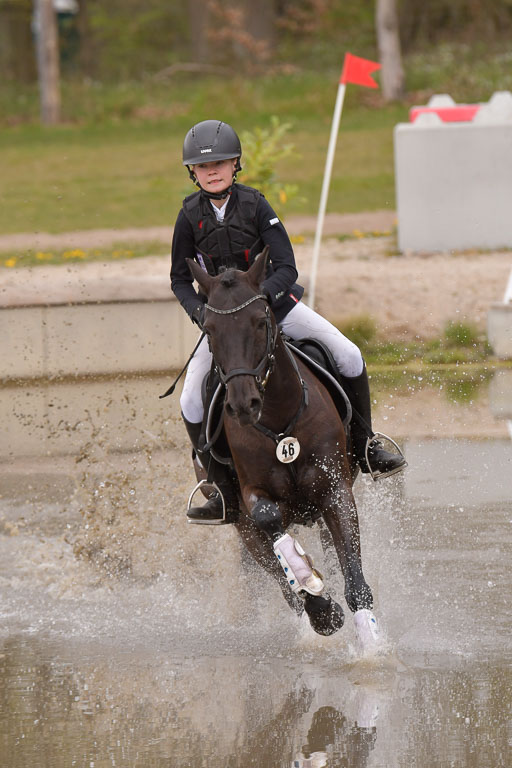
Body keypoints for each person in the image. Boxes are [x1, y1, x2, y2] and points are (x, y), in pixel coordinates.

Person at [170, 119, 406, 523]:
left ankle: (366, 445)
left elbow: (286, 266)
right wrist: (201, 313)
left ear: (235, 164)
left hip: (275, 309)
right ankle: (220, 489)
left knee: (349, 354)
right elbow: (179, 278)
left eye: (220, 164)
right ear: (193, 172)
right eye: (203, 167)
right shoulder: (189, 216)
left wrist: (261, 301)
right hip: (225, 327)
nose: (212, 172)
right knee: (190, 398)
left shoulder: (256, 205)